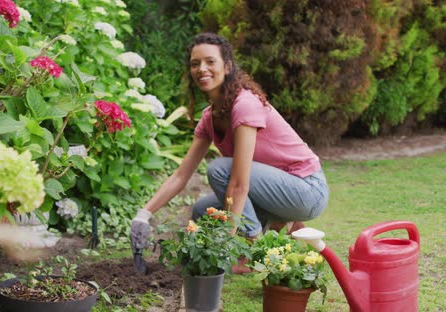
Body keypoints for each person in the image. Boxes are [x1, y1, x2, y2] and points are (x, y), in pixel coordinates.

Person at [130, 32, 329, 269]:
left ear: (227, 67)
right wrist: (144, 214)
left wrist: (229, 243)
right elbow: (180, 176)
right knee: (203, 210)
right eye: (195, 64)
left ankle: (250, 248)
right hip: (278, 190)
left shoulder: (244, 104)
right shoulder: (209, 117)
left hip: (307, 190)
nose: (202, 68)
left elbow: (238, 183)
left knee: (221, 170)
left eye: (210, 61)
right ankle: (280, 222)